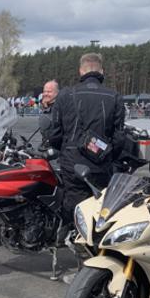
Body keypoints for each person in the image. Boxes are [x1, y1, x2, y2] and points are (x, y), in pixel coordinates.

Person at [45, 52, 125, 234]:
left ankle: (71, 237)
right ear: (101, 71)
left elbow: (54, 134)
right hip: (101, 164)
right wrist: (109, 156)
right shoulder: (114, 97)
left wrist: (61, 150)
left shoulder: (65, 95)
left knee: (74, 208)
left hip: (72, 163)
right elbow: (119, 137)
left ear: (81, 71)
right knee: (100, 210)